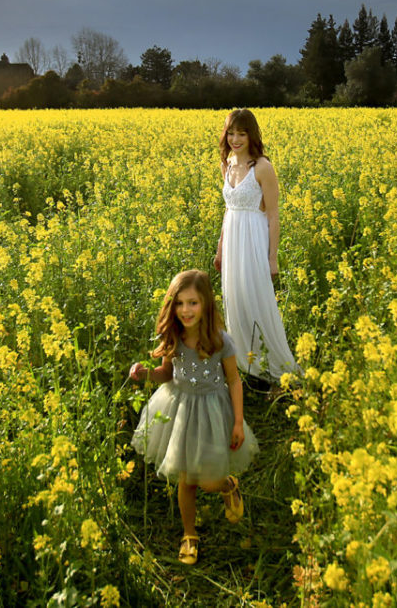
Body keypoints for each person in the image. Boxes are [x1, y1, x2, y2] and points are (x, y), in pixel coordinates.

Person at [129, 269, 257, 565]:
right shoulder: (173, 336)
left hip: (213, 410)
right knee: (187, 479)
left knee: (208, 481)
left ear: (206, 305)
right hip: (179, 410)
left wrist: (237, 422)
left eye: (193, 303)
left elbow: (234, 381)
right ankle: (189, 534)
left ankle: (227, 485)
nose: (185, 310)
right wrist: (145, 373)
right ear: (172, 306)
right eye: (179, 304)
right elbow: (165, 374)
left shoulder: (220, 341)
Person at [213, 109, 301, 380]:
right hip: (232, 241)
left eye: (242, 133)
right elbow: (228, 210)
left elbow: (273, 215)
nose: (235, 139)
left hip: (253, 239)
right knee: (236, 299)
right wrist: (219, 249)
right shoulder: (226, 164)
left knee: (256, 299)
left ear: (252, 135)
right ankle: (245, 364)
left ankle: (276, 368)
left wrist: (272, 258)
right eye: (231, 132)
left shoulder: (262, 167)